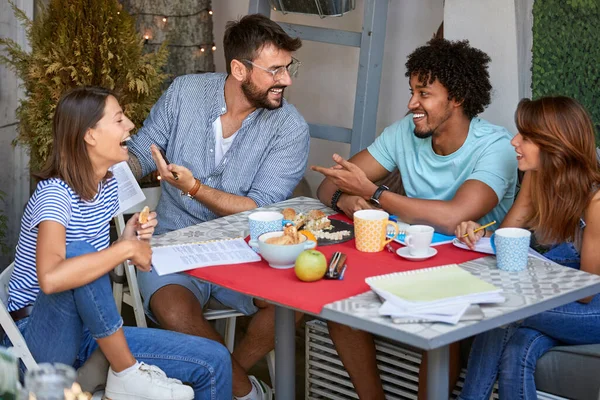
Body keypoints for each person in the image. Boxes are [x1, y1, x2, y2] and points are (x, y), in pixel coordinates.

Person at [312, 38, 518, 399]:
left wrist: (374, 193)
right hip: (409, 255)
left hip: (473, 267)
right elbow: (328, 185)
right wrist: (348, 201)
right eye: (412, 92)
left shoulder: (495, 147)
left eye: (424, 94)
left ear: (456, 98)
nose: (411, 104)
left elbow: (455, 216)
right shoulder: (403, 133)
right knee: (338, 307)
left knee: (437, 319)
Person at [2, 87, 232, 400]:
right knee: (79, 253)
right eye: (119, 119)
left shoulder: (107, 185)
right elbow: (51, 278)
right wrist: (122, 250)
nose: (131, 126)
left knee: (215, 360)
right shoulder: (55, 195)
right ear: (90, 136)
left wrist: (129, 239)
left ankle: (105, 368)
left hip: (90, 333)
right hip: (35, 343)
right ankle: (124, 372)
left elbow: (101, 266)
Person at [126, 14, 309, 400]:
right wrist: (102, 165)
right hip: (174, 244)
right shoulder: (184, 93)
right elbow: (142, 153)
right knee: (174, 311)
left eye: (289, 68)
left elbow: (258, 208)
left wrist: (194, 188)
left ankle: (230, 383)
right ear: (239, 69)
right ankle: (246, 392)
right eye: (275, 70)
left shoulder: (290, 127)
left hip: (248, 250)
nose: (287, 80)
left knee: (294, 304)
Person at [455, 96, 600, 400]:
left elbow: (585, 291)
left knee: (502, 313)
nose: (514, 141)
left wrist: (525, 289)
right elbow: (506, 237)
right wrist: (474, 230)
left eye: (527, 137)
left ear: (554, 145)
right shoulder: (538, 178)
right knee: (518, 350)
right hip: (560, 296)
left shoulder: (596, 203)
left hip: (592, 309)